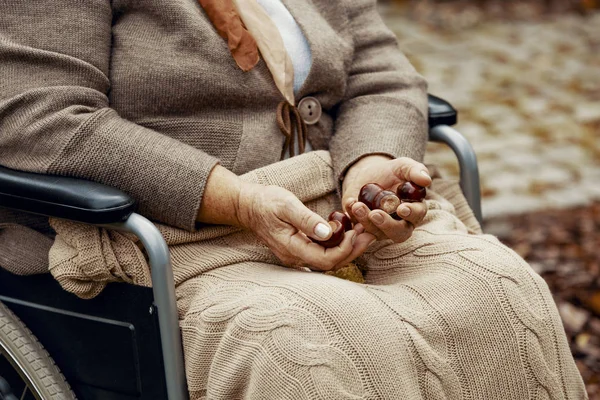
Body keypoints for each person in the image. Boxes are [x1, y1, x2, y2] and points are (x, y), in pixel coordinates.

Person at [0, 0, 586, 399]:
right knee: (301, 343)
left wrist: (371, 175)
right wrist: (240, 200)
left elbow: (380, 76)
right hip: (170, 233)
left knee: (498, 287)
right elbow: (41, 116)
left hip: (331, 201)